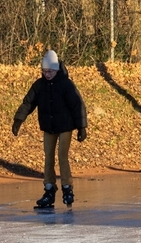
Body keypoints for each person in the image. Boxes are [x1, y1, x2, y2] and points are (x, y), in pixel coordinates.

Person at [12, 50, 88, 208]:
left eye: (50, 71)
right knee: (48, 158)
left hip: (66, 126)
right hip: (49, 127)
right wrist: (19, 120)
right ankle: (49, 189)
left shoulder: (66, 84)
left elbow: (77, 105)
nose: (47, 74)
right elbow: (28, 103)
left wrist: (81, 127)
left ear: (57, 70)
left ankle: (67, 187)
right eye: (44, 71)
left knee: (62, 156)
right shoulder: (39, 85)